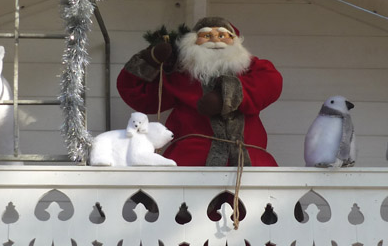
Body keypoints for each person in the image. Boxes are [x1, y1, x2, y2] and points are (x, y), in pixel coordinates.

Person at [116, 17, 283, 166]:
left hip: (248, 158)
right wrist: (149, 61)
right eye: (207, 36)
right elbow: (138, 94)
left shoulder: (249, 67)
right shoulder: (181, 75)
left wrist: (226, 95)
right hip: (191, 159)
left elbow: (271, 82)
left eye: (222, 35)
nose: (215, 40)